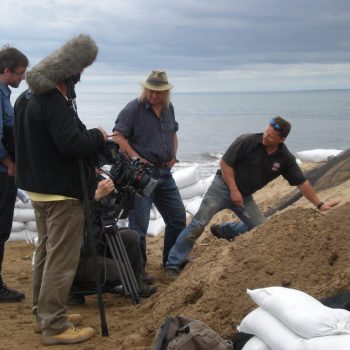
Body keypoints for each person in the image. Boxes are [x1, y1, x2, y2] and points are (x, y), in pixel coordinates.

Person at [14, 35, 108, 346]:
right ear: (66, 78)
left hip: (39, 190)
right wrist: (97, 135)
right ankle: (54, 324)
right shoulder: (53, 101)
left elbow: (25, 144)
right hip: (62, 194)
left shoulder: (25, 99)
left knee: (45, 252)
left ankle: (44, 314)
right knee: (61, 259)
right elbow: (72, 144)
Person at [165, 116, 339, 276]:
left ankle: (224, 230)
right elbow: (225, 164)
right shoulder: (247, 141)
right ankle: (173, 264)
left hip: (245, 197)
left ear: (282, 139)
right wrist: (233, 190)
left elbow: (302, 183)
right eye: (266, 132)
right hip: (222, 187)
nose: (266, 136)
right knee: (198, 223)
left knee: (261, 228)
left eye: (271, 136)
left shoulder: (284, 158)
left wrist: (320, 205)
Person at [111, 70, 186, 274]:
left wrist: (173, 156)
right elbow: (117, 136)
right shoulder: (134, 108)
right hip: (142, 176)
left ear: (166, 92)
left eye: (158, 92)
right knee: (139, 227)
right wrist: (136, 157)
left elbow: (173, 133)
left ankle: (171, 262)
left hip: (165, 174)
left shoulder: (169, 108)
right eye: (150, 91)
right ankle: (138, 271)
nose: (153, 96)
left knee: (178, 218)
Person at [68, 177, 157, 305]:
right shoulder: (68, 187)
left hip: (96, 243)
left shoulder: (92, 181)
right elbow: (74, 213)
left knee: (131, 236)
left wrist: (124, 193)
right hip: (77, 257)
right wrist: (96, 197)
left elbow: (118, 213)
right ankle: (72, 290)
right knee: (123, 272)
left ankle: (136, 285)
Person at [0, 45, 28, 302]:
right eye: (19, 73)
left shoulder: (5, 95)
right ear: (6, 70)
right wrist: (9, 163)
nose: (22, 78)